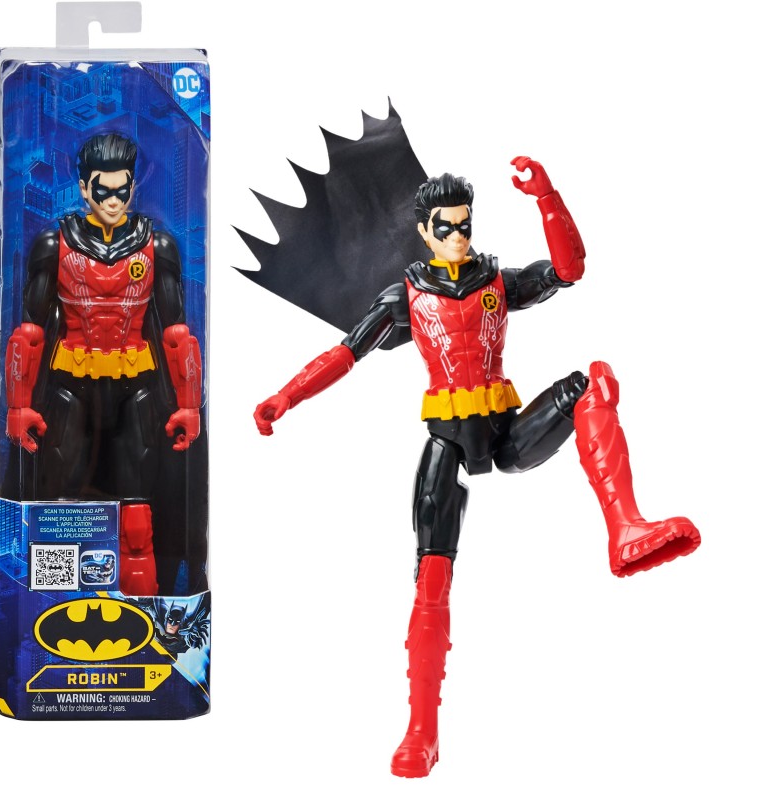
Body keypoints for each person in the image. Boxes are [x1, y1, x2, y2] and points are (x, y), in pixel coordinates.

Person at [254, 157, 700, 778]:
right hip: (448, 443)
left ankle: (625, 527)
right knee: (431, 581)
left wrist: (547, 198)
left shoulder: (495, 281)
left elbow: (567, 271)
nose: (458, 235)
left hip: (506, 432)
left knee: (591, 385)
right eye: (446, 226)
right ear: (424, 230)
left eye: (465, 224)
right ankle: (422, 730)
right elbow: (346, 352)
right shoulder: (405, 297)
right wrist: (286, 396)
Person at [5, 133, 202, 595]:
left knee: (137, 512)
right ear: (83, 187)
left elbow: (176, 333)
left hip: (137, 388)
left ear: (133, 185)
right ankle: (52, 606)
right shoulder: (54, 244)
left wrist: (189, 405)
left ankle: (144, 611)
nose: (113, 200)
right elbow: (29, 333)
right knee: (59, 509)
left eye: (121, 189)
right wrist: (18, 405)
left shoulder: (157, 245)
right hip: (69, 386)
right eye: (102, 189)